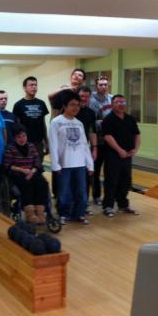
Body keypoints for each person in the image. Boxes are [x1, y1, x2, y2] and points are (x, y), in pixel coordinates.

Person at [49, 92, 94, 225]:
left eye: (77, 105)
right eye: (72, 105)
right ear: (64, 106)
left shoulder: (79, 123)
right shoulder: (56, 122)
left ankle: (79, 214)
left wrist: (90, 164)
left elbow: (84, 145)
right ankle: (64, 214)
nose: (75, 108)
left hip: (80, 164)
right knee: (64, 192)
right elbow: (53, 144)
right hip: (64, 164)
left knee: (81, 191)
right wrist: (55, 164)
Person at [101, 94, 141, 217]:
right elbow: (108, 136)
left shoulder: (130, 119)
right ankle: (108, 206)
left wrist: (135, 149)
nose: (121, 104)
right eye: (118, 102)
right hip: (113, 155)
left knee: (125, 181)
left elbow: (137, 135)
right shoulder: (108, 119)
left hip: (127, 156)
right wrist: (119, 150)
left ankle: (123, 205)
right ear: (112, 104)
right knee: (111, 181)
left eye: (123, 102)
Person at [3, 124, 49, 224]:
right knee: (26, 185)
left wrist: (31, 172)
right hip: (17, 174)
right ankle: (30, 214)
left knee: (42, 183)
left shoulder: (31, 146)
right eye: (19, 137)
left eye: (24, 136)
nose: (22, 139)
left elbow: (37, 162)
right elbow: (8, 165)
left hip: (32, 172)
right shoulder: (10, 148)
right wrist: (22, 170)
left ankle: (40, 213)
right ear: (14, 138)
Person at [89, 75, 114, 205]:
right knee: (96, 171)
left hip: (111, 142)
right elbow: (93, 123)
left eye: (105, 84)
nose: (103, 87)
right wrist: (107, 123)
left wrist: (104, 122)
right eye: (101, 85)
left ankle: (110, 196)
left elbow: (116, 119)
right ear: (96, 86)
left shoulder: (112, 98)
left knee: (110, 171)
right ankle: (96, 195)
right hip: (97, 142)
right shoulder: (92, 101)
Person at [12, 76, 49, 159]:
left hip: (39, 142)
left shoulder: (41, 103)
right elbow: (16, 127)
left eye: (35, 85)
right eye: (31, 85)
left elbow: (43, 124)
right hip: (24, 142)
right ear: (25, 88)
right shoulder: (18, 105)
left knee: (38, 167)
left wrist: (46, 141)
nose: (34, 87)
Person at [76, 86, 98, 215]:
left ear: (89, 98)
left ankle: (83, 206)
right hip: (71, 151)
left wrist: (94, 149)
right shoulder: (70, 111)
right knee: (74, 179)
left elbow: (92, 131)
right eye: (81, 96)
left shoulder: (91, 113)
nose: (83, 99)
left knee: (85, 179)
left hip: (85, 150)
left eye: (86, 96)